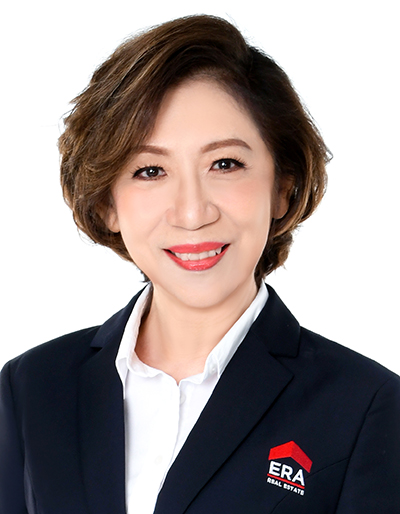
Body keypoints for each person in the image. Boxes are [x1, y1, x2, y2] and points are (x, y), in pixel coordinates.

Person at [0, 14, 399, 514]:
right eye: (150, 170)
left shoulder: (367, 407)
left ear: (282, 187)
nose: (192, 212)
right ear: (107, 203)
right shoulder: (32, 387)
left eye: (225, 164)